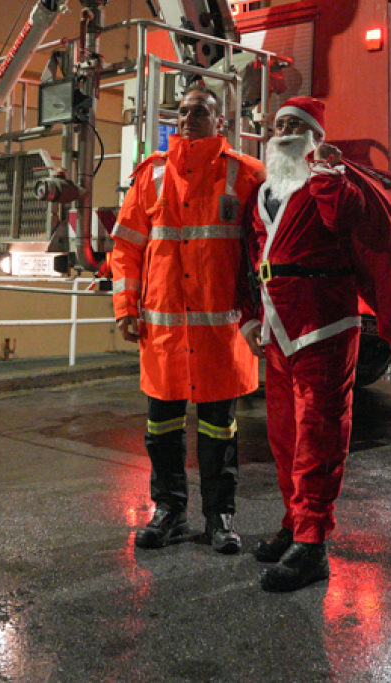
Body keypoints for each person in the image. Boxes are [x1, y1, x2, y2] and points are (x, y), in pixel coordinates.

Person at [110, 85, 265, 555]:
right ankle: (169, 512)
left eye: (200, 111)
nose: (187, 118)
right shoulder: (151, 176)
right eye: (182, 111)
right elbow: (126, 248)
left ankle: (220, 517)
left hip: (222, 335)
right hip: (165, 333)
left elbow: (268, 244)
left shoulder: (247, 174)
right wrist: (125, 307)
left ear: (222, 121)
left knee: (220, 432)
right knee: (162, 431)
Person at [240, 96, 366, 592]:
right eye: (279, 125)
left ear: (315, 136)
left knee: (318, 438)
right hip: (277, 329)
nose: (285, 130)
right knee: (285, 437)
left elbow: (345, 218)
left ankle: (313, 545)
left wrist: (329, 174)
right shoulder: (264, 192)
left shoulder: (330, 182)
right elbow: (250, 258)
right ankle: (295, 524)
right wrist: (251, 317)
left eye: (297, 125)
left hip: (323, 325)